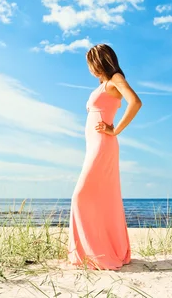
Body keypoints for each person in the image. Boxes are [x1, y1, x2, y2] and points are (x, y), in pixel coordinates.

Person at [68, 43, 142, 270]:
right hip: (93, 145)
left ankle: (96, 253)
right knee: (102, 199)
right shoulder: (103, 85)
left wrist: (115, 130)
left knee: (80, 196)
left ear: (100, 61)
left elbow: (136, 102)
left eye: (91, 63)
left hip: (103, 144)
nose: (89, 69)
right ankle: (97, 251)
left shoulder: (115, 79)